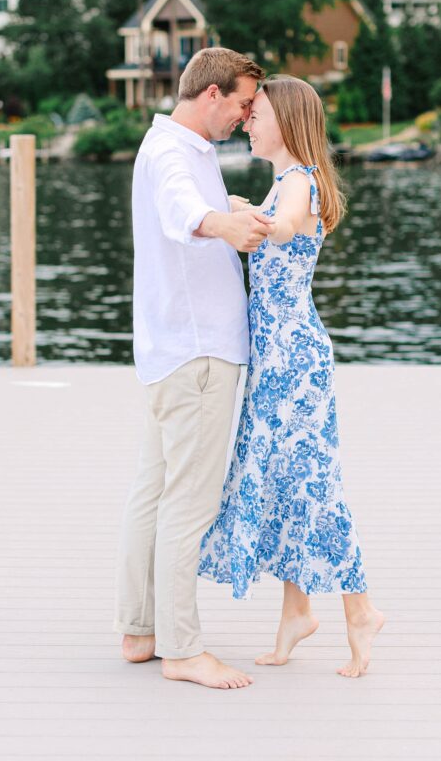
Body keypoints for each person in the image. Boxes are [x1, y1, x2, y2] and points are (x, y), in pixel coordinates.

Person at [199, 75, 385, 678]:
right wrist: (242, 207)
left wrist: (238, 212)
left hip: (295, 358)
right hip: (274, 357)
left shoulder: (300, 180)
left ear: (287, 120)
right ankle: (296, 614)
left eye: (257, 113)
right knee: (281, 480)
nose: (248, 121)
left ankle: (359, 608)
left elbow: (282, 228)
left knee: (311, 481)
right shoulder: (282, 183)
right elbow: (271, 220)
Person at [114, 47, 271, 691]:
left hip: (166, 351)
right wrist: (226, 229)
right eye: (241, 103)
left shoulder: (173, 147)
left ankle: (140, 629)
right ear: (211, 95)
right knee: (188, 502)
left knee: (151, 493)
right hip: (199, 355)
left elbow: (191, 202)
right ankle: (182, 649)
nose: (244, 115)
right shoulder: (176, 157)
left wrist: (228, 206)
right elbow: (184, 213)